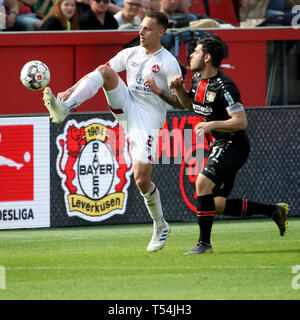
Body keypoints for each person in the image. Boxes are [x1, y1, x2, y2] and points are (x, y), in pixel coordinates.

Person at [42, 11, 182, 252]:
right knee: (105, 71)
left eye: (148, 29)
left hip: (146, 121)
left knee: (141, 180)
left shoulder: (168, 62)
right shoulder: (131, 53)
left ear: (161, 32)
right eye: (141, 27)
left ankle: (160, 225)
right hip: (126, 104)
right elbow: (95, 74)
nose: (141, 32)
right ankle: (66, 108)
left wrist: (159, 92)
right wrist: (68, 90)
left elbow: (182, 103)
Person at [159, 37, 289, 254]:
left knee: (202, 184)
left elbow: (241, 121)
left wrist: (212, 125)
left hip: (233, 144)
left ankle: (204, 244)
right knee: (216, 203)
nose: (191, 55)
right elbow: (190, 105)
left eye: (196, 52)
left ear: (207, 57)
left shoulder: (225, 86)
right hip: (218, 143)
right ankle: (274, 211)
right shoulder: (197, 80)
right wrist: (179, 90)